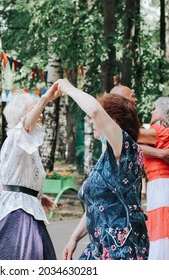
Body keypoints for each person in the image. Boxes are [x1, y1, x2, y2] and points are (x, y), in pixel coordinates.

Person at [58, 79, 149, 260]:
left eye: (95, 120)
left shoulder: (125, 149)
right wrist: (74, 238)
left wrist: (68, 88)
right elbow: (97, 206)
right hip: (100, 247)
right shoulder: (107, 156)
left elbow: (95, 111)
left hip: (122, 249)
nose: (92, 121)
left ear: (112, 121)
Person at [0, 84, 61, 260]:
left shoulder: (27, 143)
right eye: (33, 110)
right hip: (19, 210)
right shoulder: (17, 137)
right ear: (21, 115)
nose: (40, 114)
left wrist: (38, 196)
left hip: (27, 206)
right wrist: (45, 98)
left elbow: (8, 182)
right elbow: (25, 125)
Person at [137, 97, 169, 260]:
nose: (152, 111)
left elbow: (129, 138)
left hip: (161, 189)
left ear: (164, 114)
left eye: (155, 109)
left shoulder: (161, 133)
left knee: (160, 240)